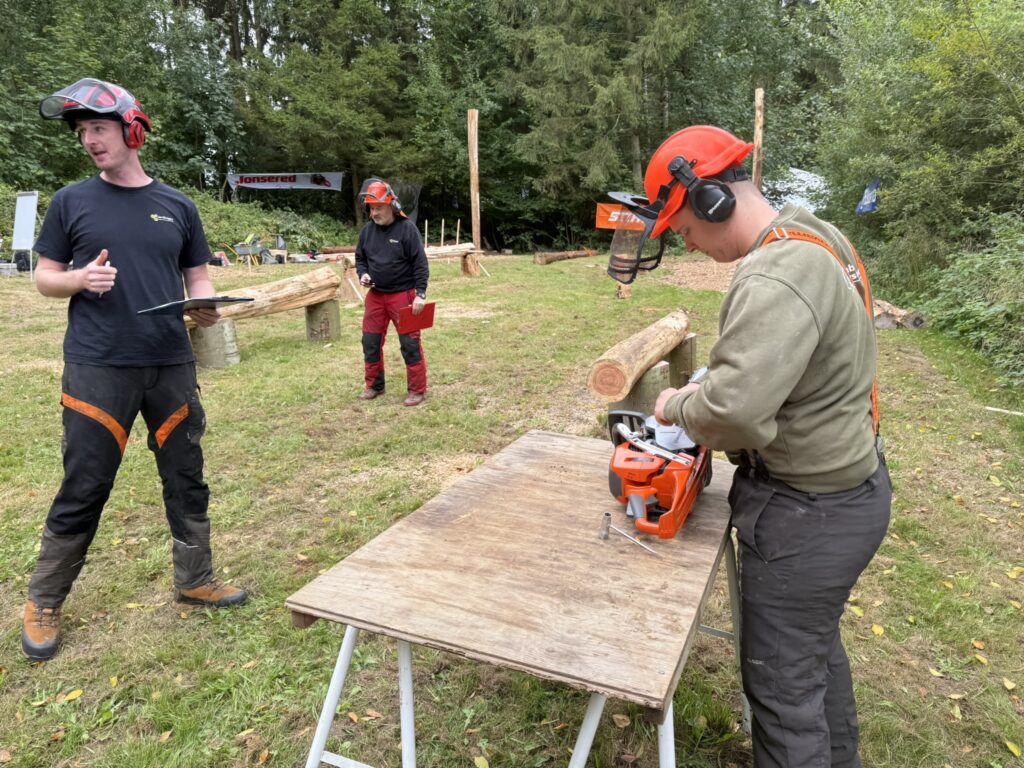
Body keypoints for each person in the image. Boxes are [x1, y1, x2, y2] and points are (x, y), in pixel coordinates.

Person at [615, 125, 891, 767]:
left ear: (710, 200)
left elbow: (732, 415)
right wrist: (722, 378)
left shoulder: (777, 273)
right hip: (846, 493)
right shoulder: (813, 236)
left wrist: (675, 404)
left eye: (685, 228)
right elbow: (783, 363)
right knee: (811, 657)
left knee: (783, 690)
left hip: (807, 514)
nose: (688, 242)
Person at [21, 78, 247, 662]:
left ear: (133, 130)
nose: (89, 140)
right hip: (98, 365)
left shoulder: (178, 206)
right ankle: (44, 599)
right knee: (86, 482)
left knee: (186, 473)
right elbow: (44, 277)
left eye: (99, 128)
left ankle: (195, 578)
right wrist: (78, 279)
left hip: (170, 361)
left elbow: (197, 275)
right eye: (83, 132)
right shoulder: (71, 201)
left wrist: (205, 303)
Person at [354, 178, 429, 407]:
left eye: (378, 208)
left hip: (403, 296)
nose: (374, 213)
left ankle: (417, 390)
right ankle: (374, 386)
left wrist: (421, 294)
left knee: (410, 344)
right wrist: (363, 274)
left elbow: (420, 264)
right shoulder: (367, 231)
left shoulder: (407, 229)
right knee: (370, 342)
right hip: (376, 296)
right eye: (371, 208)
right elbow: (360, 258)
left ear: (391, 205)